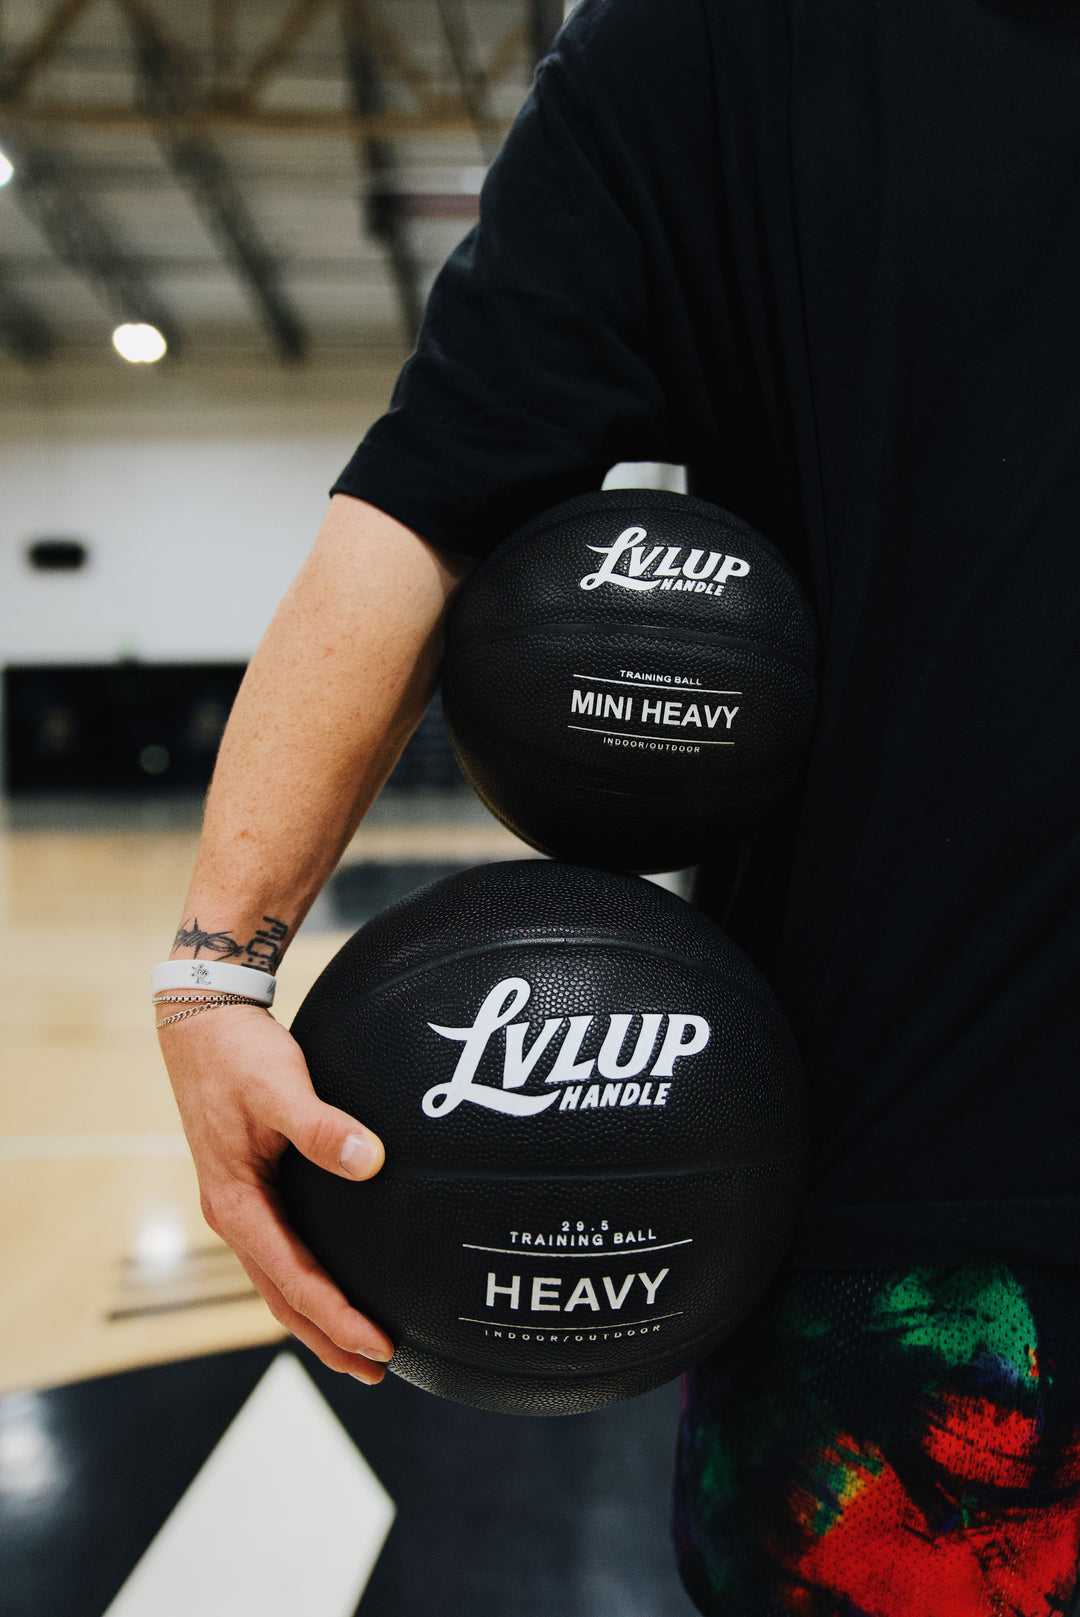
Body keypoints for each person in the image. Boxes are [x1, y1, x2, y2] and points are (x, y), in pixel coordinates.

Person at [158, 0, 1080, 1608]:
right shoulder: (717, 46)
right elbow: (438, 496)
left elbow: (431, 495)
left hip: (907, 1246)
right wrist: (215, 972)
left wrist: (215, 971)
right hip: (920, 1229)